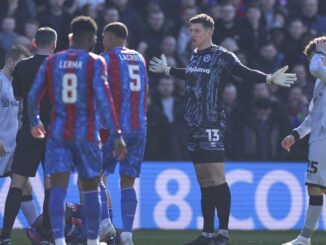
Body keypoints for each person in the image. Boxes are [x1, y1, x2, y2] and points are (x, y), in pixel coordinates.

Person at [149, 13, 296, 245]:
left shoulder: (221, 55)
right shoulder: (195, 56)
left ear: (209, 32)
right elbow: (190, 76)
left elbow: (243, 71)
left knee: (217, 177)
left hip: (212, 124)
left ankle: (223, 233)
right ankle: (207, 233)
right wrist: (169, 71)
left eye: (196, 31)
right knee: (204, 179)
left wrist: (268, 78)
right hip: (194, 125)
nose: (192, 35)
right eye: (190, 31)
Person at [27, 16, 126, 245]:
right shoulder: (94, 62)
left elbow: (33, 97)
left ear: (71, 37)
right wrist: (117, 135)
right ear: (92, 38)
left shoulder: (52, 61)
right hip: (87, 135)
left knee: (58, 189)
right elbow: (105, 101)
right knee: (91, 189)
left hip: (58, 134)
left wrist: (34, 122)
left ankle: (59, 241)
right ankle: (92, 241)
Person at [0, 28, 58, 245]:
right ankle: (46, 237)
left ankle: (5, 236)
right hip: (53, 133)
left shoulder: (23, 66)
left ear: (34, 43)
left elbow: (16, 94)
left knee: (17, 184)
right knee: (51, 185)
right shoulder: (59, 65)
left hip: (29, 132)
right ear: (53, 44)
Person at [101, 22, 148, 245]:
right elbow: (145, 92)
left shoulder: (106, 59)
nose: (102, 41)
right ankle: (127, 236)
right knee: (127, 183)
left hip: (116, 128)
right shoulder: (139, 58)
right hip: (139, 127)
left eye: (104, 37)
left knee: (93, 175)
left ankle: (105, 225)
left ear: (109, 38)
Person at [281, 37, 326, 245]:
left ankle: (304, 239)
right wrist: (296, 134)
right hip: (319, 139)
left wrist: (319, 53)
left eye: (313, 57)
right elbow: (313, 115)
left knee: (315, 186)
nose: (312, 61)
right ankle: (304, 238)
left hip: (324, 140)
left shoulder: (320, 72)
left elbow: (316, 68)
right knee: (315, 187)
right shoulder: (320, 81)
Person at [0, 45, 39, 242]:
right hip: (0, 145)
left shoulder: (16, 86)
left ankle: (36, 233)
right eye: (20, 63)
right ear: (10, 61)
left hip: (12, 147)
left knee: (24, 188)